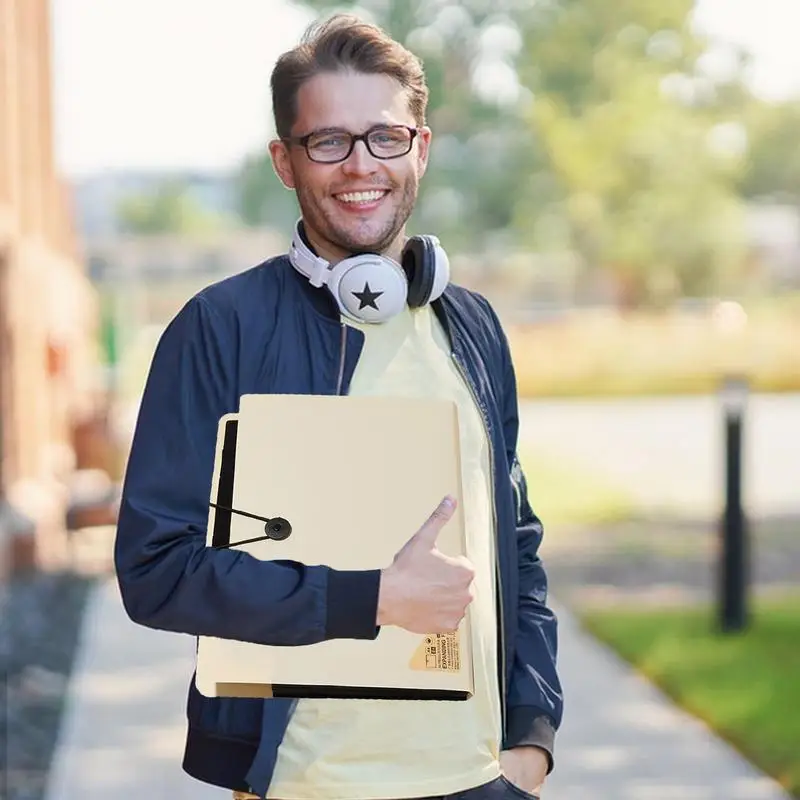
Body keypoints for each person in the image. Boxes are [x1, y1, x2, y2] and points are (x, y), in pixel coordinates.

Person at [114, 12, 563, 800]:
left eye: (385, 136)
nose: (361, 164)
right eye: (328, 141)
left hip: (483, 778)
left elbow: (516, 545)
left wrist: (531, 734)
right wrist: (373, 598)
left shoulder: (474, 326)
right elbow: (156, 571)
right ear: (285, 162)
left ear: (419, 148)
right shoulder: (220, 329)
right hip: (305, 784)